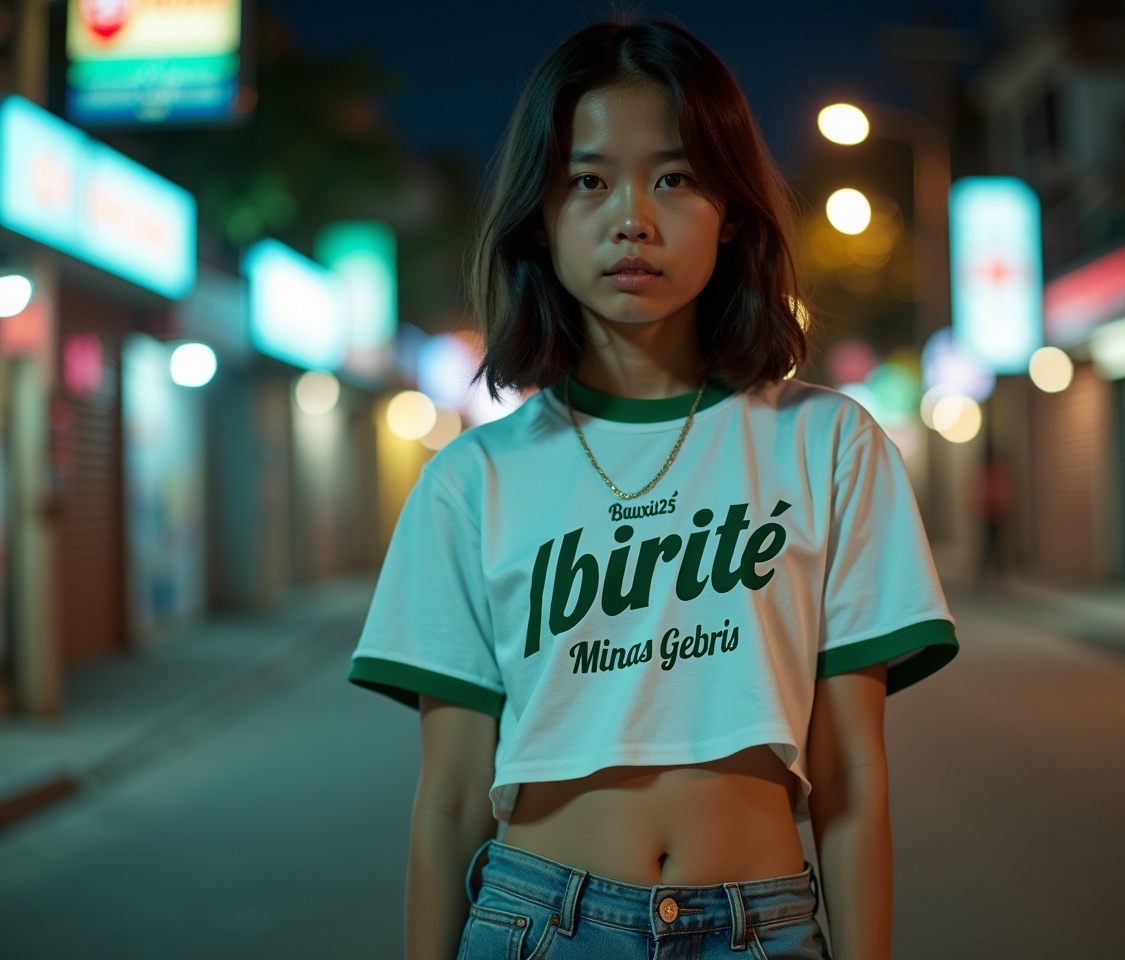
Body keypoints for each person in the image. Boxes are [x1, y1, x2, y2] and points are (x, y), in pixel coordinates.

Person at [348, 16, 958, 960]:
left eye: (674, 178)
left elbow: (853, 778)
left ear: (732, 210)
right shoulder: (469, 483)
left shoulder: (829, 445)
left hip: (761, 927)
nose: (632, 216)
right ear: (540, 218)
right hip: (536, 923)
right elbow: (453, 801)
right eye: (588, 180)